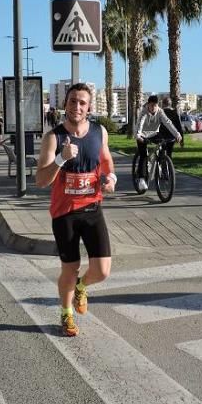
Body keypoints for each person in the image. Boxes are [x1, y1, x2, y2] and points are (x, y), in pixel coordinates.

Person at [36, 83, 116, 337]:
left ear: (89, 106)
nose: (77, 106)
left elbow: (104, 159)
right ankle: (66, 313)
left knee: (102, 271)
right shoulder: (53, 137)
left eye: (82, 102)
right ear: (65, 104)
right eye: (72, 101)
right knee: (69, 268)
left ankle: (82, 286)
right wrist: (61, 158)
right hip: (65, 213)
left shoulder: (98, 131)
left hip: (92, 208)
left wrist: (110, 177)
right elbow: (40, 180)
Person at [134, 95, 181, 191]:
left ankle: (161, 161)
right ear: (148, 104)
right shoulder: (143, 112)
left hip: (154, 133)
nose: (153, 108)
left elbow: (168, 122)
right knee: (143, 155)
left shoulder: (160, 111)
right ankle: (141, 179)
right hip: (142, 134)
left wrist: (177, 134)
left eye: (155, 105)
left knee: (163, 143)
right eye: (151, 105)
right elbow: (140, 124)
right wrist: (138, 136)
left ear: (157, 105)